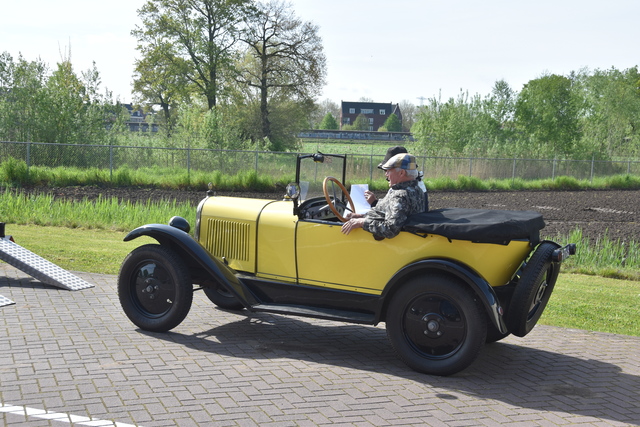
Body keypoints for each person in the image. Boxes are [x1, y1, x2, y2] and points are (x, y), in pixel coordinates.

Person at [342, 153, 425, 240]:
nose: (386, 174)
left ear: (401, 173)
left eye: (389, 170)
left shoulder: (400, 195)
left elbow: (390, 229)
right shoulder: (416, 189)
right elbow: (384, 213)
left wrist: (362, 222)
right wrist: (361, 216)